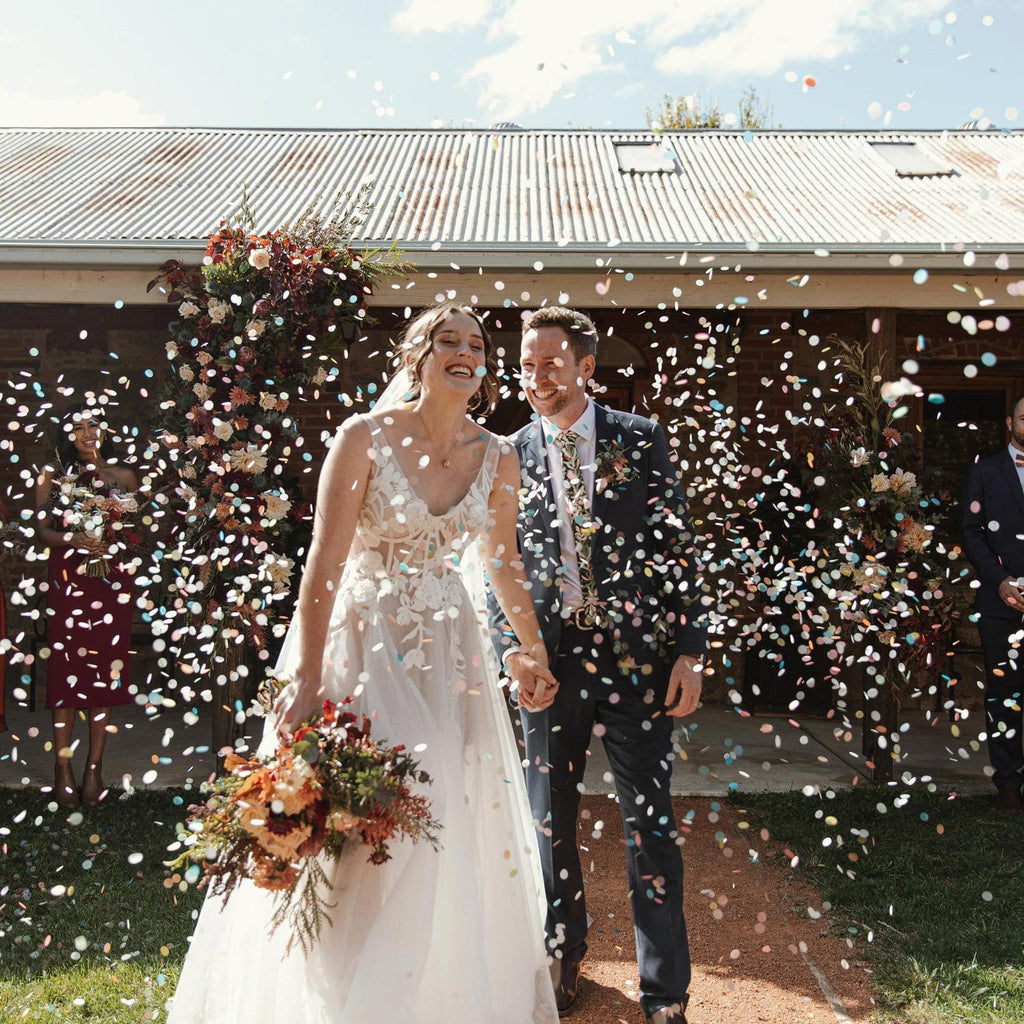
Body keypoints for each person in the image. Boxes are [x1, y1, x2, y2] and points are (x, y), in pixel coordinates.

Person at [168, 302, 560, 1023]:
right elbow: (324, 561)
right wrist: (308, 679)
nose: (466, 352)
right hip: (363, 642)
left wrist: (527, 651)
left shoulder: (500, 456)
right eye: (449, 340)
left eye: (476, 344)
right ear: (418, 354)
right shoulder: (364, 438)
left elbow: (501, 565)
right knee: (354, 820)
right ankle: (334, 994)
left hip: (449, 655)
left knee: (437, 801)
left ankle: (412, 994)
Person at [489, 306, 706, 1024]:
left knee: (648, 820)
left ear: (586, 366)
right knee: (549, 820)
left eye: (549, 362)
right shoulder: (506, 452)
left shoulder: (639, 439)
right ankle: (561, 959)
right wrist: (514, 651)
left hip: (637, 662)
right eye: (526, 363)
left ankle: (665, 990)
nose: (534, 375)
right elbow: (497, 564)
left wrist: (691, 648)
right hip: (548, 664)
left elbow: (677, 547)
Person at [35, 403, 138, 808]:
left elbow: (136, 532)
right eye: (76, 427)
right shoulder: (52, 476)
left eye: (92, 424)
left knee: (104, 670)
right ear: (66, 434)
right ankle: (63, 768)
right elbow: (41, 529)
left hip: (111, 579)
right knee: (67, 670)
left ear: (105, 428)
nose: (85, 433)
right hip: (69, 577)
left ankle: (94, 768)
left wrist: (113, 535)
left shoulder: (125, 476)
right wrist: (72, 540)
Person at [960, 393, 1024, 812]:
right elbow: (970, 531)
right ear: (1009, 422)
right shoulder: (985, 469)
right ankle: (1007, 784)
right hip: (1001, 602)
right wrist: (1001, 582)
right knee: (1004, 692)